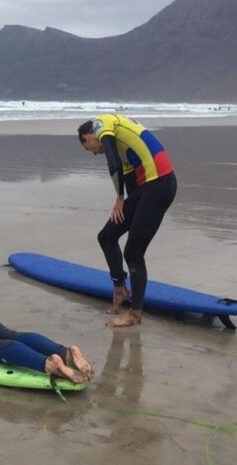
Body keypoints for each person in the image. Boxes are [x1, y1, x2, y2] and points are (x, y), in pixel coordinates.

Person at [78, 115, 177, 327]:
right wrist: (132, 213)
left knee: (133, 251)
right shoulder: (122, 146)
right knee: (107, 236)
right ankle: (120, 287)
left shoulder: (101, 124)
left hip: (160, 183)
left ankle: (135, 314)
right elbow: (129, 179)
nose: (95, 153)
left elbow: (111, 161)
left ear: (88, 137)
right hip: (147, 189)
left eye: (90, 148)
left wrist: (120, 199)